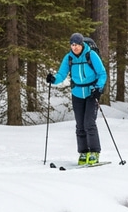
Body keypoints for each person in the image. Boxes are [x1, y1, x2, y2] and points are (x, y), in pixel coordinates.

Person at [46, 32, 107, 165]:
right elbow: (61, 74)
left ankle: (95, 152)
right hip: (77, 93)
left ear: (82, 44)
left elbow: (102, 73)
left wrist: (99, 88)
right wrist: (53, 79)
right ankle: (83, 152)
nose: (75, 47)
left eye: (77, 45)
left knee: (89, 123)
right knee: (80, 125)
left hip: (91, 92)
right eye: (72, 45)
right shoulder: (69, 58)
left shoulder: (91, 55)